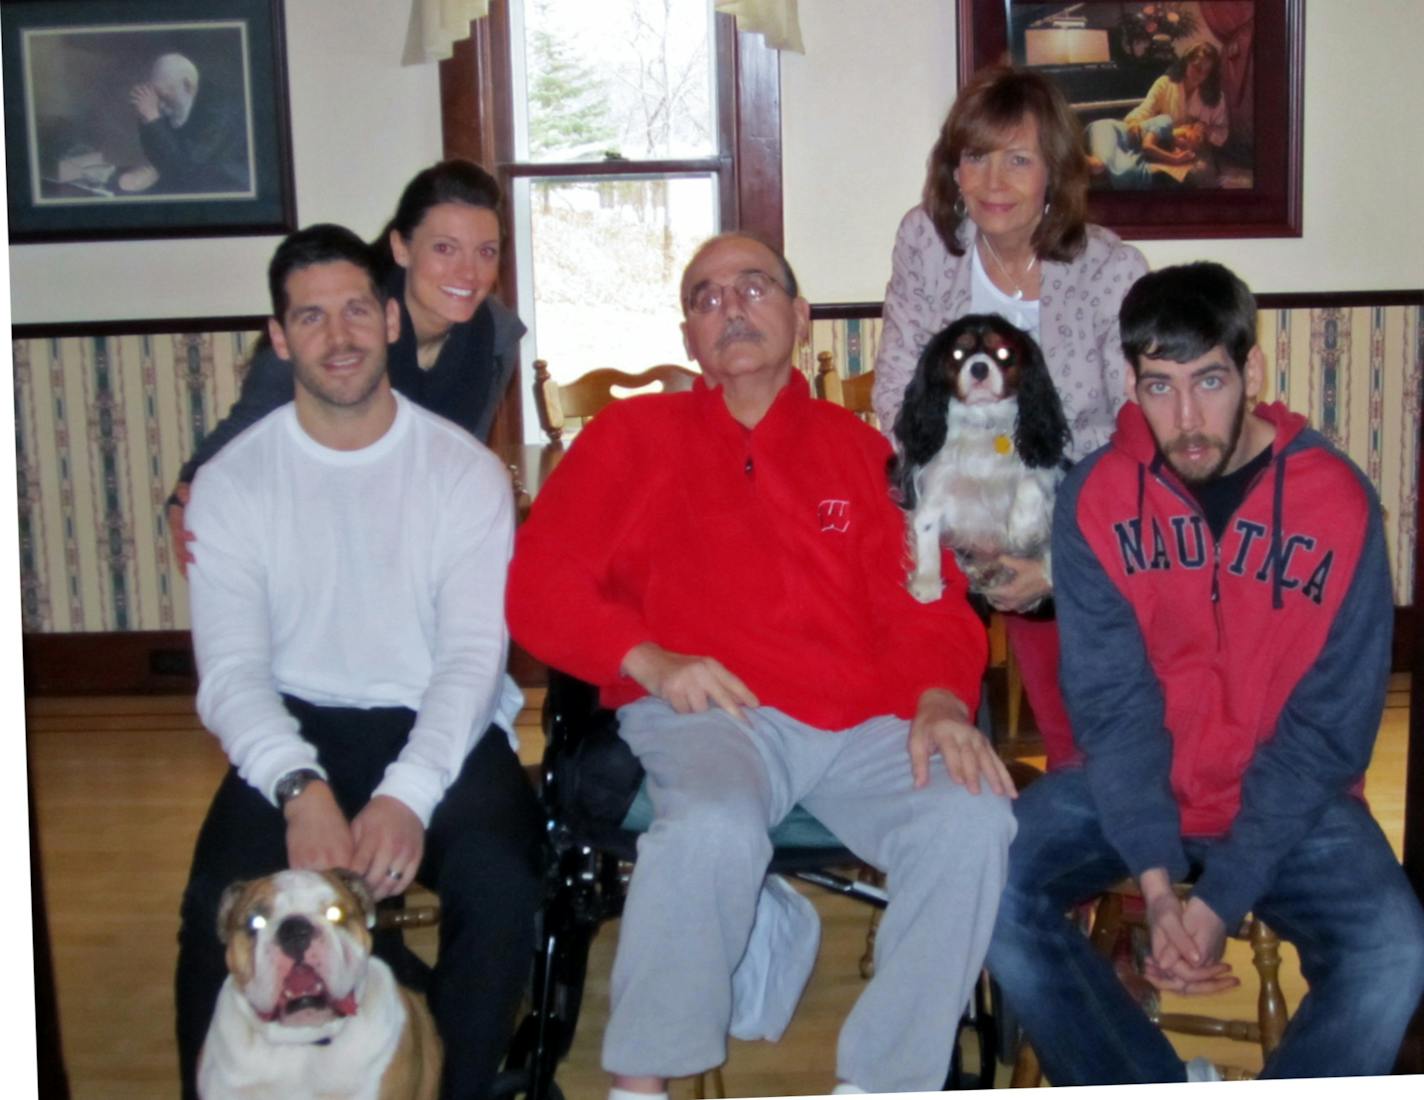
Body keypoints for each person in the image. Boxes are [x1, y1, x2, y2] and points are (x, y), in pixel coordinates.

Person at [507, 232, 1017, 1098]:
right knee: (709, 826)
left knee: (971, 822)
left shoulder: (862, 453)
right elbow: (537, 584)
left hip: (862, 722)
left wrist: (938, 699)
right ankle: (641, 1082)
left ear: (800, 317)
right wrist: (650, 660)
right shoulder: (629, 439)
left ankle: (883, 1084)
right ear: (688, 340)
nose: (731, 307)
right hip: (711, 711)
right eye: (706, 298)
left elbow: (926, 599)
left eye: (753, 288)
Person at [985, 261, 1424, 1084]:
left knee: (1395, 951)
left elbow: (1328, 734)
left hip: (1289, 797)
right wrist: (1157, 890)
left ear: (1252, 371)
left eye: (1210, 380)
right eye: (1159, 386)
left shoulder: (1340, 505)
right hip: (1135, 783)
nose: (1186, 418)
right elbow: (1112, 712)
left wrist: (1221, 901)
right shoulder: (1098, 500)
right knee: (984, 887)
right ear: (1129, 380)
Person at [173, 224, 545, 1100]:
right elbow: (230, 674)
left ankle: (442, 1084)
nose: (337, 338)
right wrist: (300, 790)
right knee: (211, 906)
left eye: (353, 312)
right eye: (309, 318)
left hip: (436, 727)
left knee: (504, 885)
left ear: (387, 318)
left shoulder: (463, 474)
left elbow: (469, 659)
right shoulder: (233, 481)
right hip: (294, 730)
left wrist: (405, 794)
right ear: (278, 338)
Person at [873, 65, 1149, 771]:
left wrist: (1057, 563)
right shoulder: (926, 242)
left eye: (1018, 159)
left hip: (1060, 512)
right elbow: (898, 391)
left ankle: (1072, 849)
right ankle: (939, 809)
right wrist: (956, 532)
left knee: (1073, 704)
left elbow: (1132, 434)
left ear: (1054, 171)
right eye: (975, 157)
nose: (993, 182)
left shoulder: (1111, 270)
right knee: (908, 663)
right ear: (953, 170)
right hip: (945, 498)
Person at [164, 159, 525, 574]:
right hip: (314, 535)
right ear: (401, 247)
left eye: (486, 252)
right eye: (444, 248)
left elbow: (464, 457)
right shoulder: (338, 328)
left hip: (415, 544)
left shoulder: (496, 335)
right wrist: (186, 494)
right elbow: (245, 428)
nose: (468, 272)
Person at [123, 53, 249, 194]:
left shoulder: (219, 112)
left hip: (225, 188)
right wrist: (145, 117)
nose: (160, 104)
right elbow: (159, 158)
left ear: (187, 86)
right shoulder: (176, 101)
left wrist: (152, 117)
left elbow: (185, 168)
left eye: (163, 95)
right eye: (156, 96)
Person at [1122, 42, 1229, 179]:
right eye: (1197, 67)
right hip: (1165, 144)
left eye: (1206, 72)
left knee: (1199, 173)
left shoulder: (1216, 97)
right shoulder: (1165, 83)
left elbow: (1223, 132)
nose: (1200, 74)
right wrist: (1134, 122)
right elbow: (1146, 109)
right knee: (1152, 174)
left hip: (1196, 150)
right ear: (1186, 62)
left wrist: (1204, 128)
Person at [1085, 114, 1205, 190]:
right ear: (1187, 126)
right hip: (1111, 132)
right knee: (1098, 166)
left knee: (1128, 173)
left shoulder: (1163, 150)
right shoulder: (1166, 122)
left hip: (1123, 151)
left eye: (1185, 145)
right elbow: (1147, 146)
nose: (1182, 140)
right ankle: (1068, 153)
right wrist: (1175, 159)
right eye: (1185, 135)